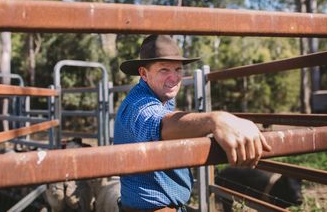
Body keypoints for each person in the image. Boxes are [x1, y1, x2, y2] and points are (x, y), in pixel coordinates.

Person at [114, 35, 271, 212]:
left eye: (178, 69)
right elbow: (160, 123)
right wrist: (215, 119)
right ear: (144, 73)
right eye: (164, 70)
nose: (174, 78)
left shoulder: (162, 97)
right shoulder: (139, 105)